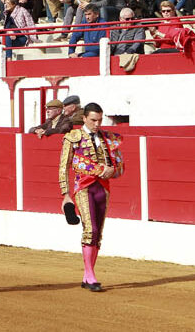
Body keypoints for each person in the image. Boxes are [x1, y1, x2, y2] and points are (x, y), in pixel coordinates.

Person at [59, 102, 125, 292]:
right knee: (91, 229)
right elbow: (64, 167)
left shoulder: (108, 139)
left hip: (103, 188)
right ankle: (90, 275)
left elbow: (120, 166)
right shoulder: (73, 138)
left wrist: (112, 171)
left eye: (100, 120)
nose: (97, 124)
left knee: (98, 234)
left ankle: (88, 275)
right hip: (84, 187)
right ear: (85, 118)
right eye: (93, 120)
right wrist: (65, 194)